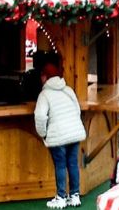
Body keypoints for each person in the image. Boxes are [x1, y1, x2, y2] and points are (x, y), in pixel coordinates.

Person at [34, 62, 86, 208]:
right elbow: (77, 110)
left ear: (45, 77)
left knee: (60, 165)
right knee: (73, 163)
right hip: (74, 133)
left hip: (58, 136)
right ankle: (75, 195)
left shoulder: (44, 95)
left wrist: (43, 134)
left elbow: (40, 117)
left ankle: (61, 197)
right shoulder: (68, 90)